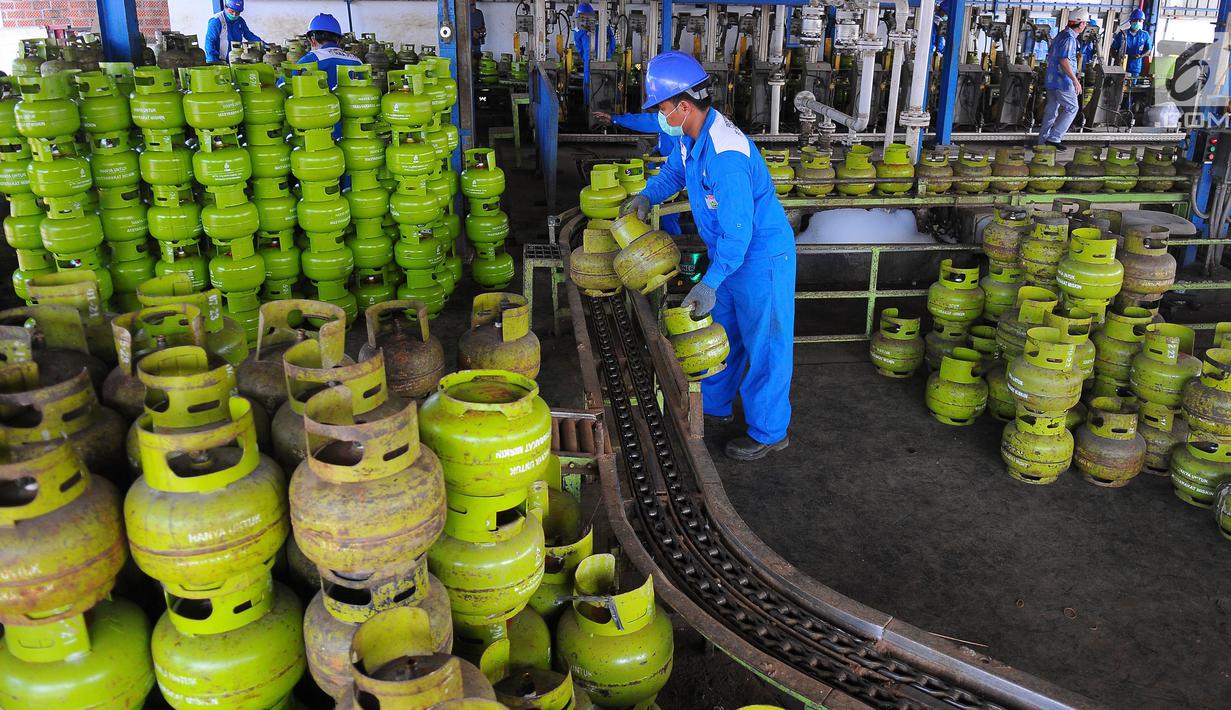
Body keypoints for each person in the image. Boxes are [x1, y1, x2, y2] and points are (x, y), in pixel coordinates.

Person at [619, 51, 795, 461]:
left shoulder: (726, 156)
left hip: (760, 258)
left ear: (683, 105)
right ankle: (713, 407)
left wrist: (710, 282)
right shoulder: (690, 136)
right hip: (729, 257)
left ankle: (769, 431)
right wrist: (647, 196)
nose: (660, 115)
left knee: (765, 344)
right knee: (723, 334)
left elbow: (739, 231)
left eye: (661, 108)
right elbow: (676, 174)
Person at [591, 110, 682, 235]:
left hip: (678, 178)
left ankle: (673, 239)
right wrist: (615, 119)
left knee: (670, 214)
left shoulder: (686, 131)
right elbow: (645, 120)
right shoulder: (668, 120)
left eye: (664, 106)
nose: (661, 112)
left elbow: (677, 173)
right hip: (667, 173)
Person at [1038, 8, 1087, 150]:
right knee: (1072, 107)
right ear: (1080, 24)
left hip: (1052, 80)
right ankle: (1054, 137)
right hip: (1063, 82)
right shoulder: (1069, 39)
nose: (1084, 26)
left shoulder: (1060, 35)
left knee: (1051, 110)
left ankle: (1042, 142)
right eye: (1084, 23)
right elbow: (1064, 60)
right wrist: (1075, 80)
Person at [296, 14, 360, 89]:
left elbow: (284, 85)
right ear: (339, 41)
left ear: (312, 40)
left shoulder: (309, 60)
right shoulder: (357, 61)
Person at [573, 3, 619, 104]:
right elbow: (612, 41)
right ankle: (610, 106)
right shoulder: (603, 26)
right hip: (604, 60)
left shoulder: (579, 30)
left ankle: (588, 106)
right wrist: (609, 55)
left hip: (588, 61)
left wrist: (584, 57)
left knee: (588, 83)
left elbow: (578, 46)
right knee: (606, 82)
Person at [1111, 9, 1152, 77]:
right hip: (1121, 66)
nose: (1137, 22)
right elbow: (1113, 49)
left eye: (1140, 20)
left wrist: (1140, 56)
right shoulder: (1122, 34)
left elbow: (1148, 50)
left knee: (1131, 86)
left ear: (1142, 22)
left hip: (1135, 68)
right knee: (1118, 85)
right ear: (1130, 21)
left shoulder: (1145, 35)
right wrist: (1117, 58)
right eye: (1135, 20)